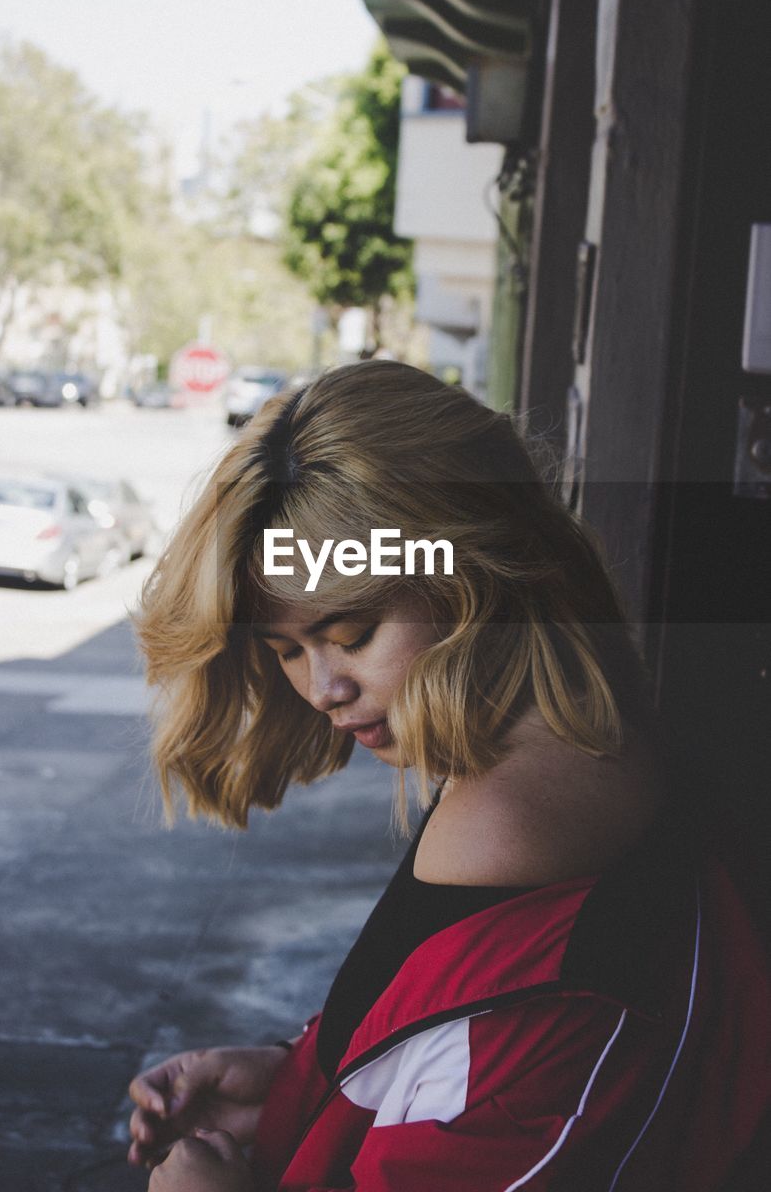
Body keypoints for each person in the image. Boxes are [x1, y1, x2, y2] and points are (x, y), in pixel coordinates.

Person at [126, 361, 769, 1191]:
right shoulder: (574, 769)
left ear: (469, 572)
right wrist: (299, 1082)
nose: (323, 688)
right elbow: (437, 1053)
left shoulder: (517, 854)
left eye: (351, 630)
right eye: (284, 650)